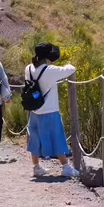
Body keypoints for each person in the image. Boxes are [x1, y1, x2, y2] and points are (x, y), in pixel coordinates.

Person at [25, 42, 80, 177]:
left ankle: (36, 167)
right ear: (48, 56)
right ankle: (66, 167)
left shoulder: (28, 69)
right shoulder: (50, 70)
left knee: (35, 139)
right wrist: (68, 64)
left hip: (35, 109)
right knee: (57, 138)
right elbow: (71, 69)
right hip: (50, 110)